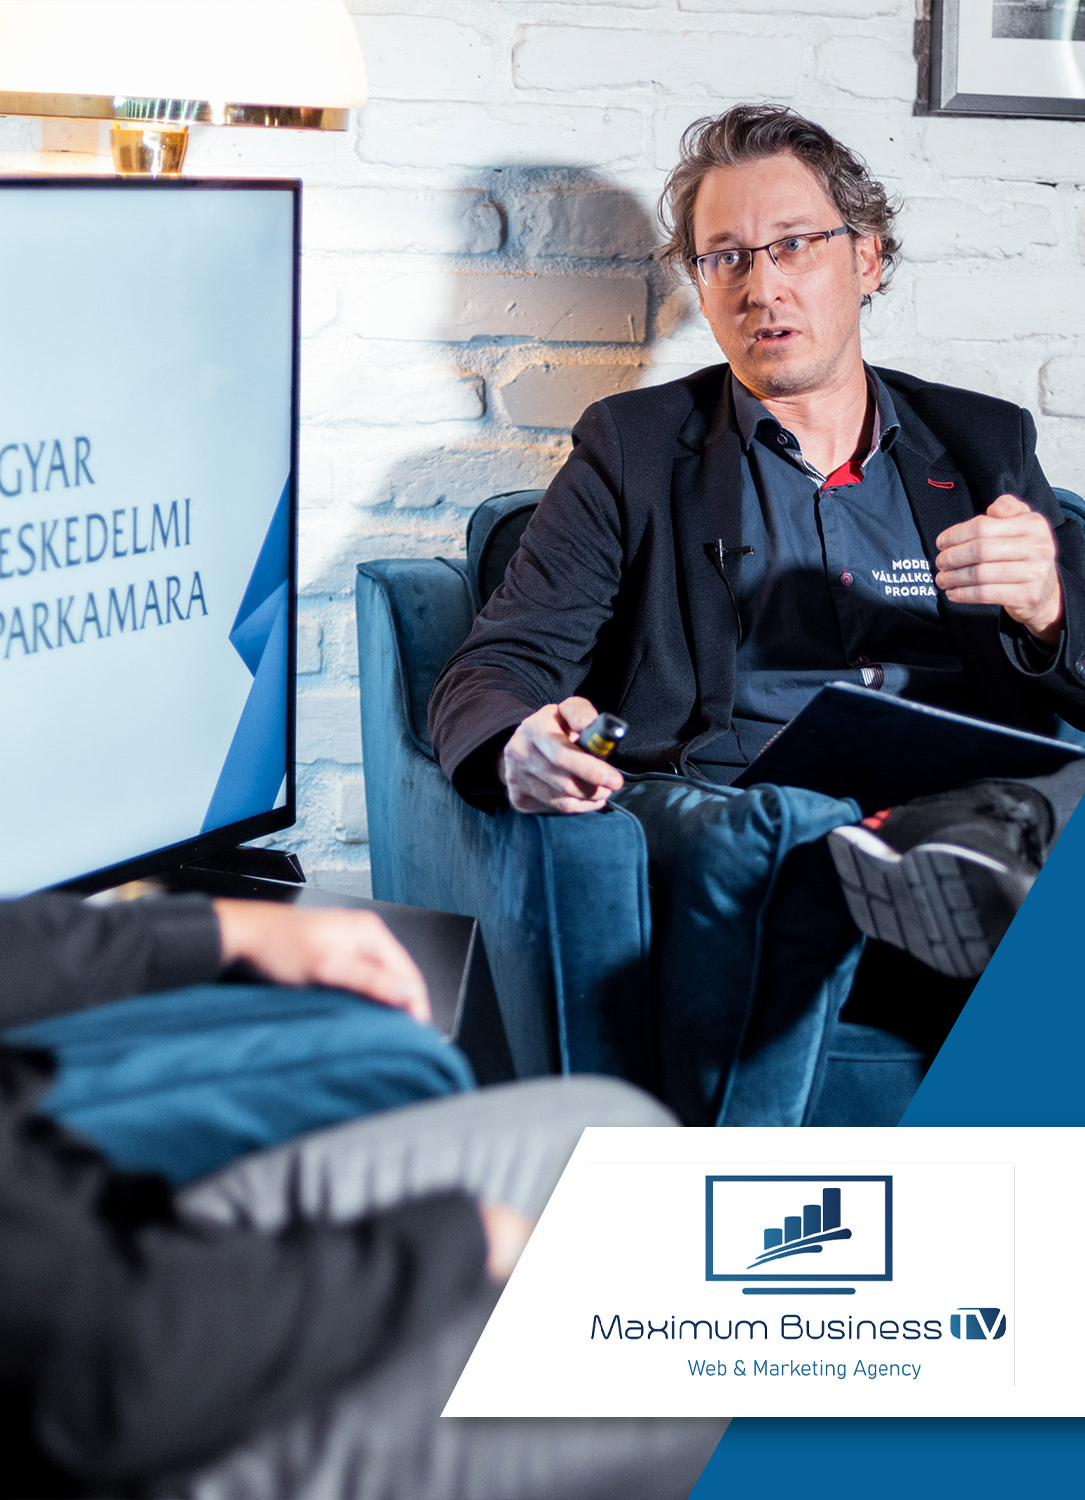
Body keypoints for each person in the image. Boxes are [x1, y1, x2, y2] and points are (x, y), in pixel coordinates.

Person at [0, 97, 725, 1500]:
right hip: (86, 1405)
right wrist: (462, 1252)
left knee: (609, 1141)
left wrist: (218, 932)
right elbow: (91, 1374)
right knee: (709, 1338)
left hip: (61, 1257)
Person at [430, 102, 1085, 985]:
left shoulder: (981, 440)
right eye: (726, 257)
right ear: (700, 284)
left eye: (794, 245)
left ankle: (956, 880)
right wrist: (520, 743)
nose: (761, 287)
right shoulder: (634, 449)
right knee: (788, 835)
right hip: (752, 814)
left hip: (970, 810)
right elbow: (499, 663)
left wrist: (1049, 608)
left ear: (867, 258)